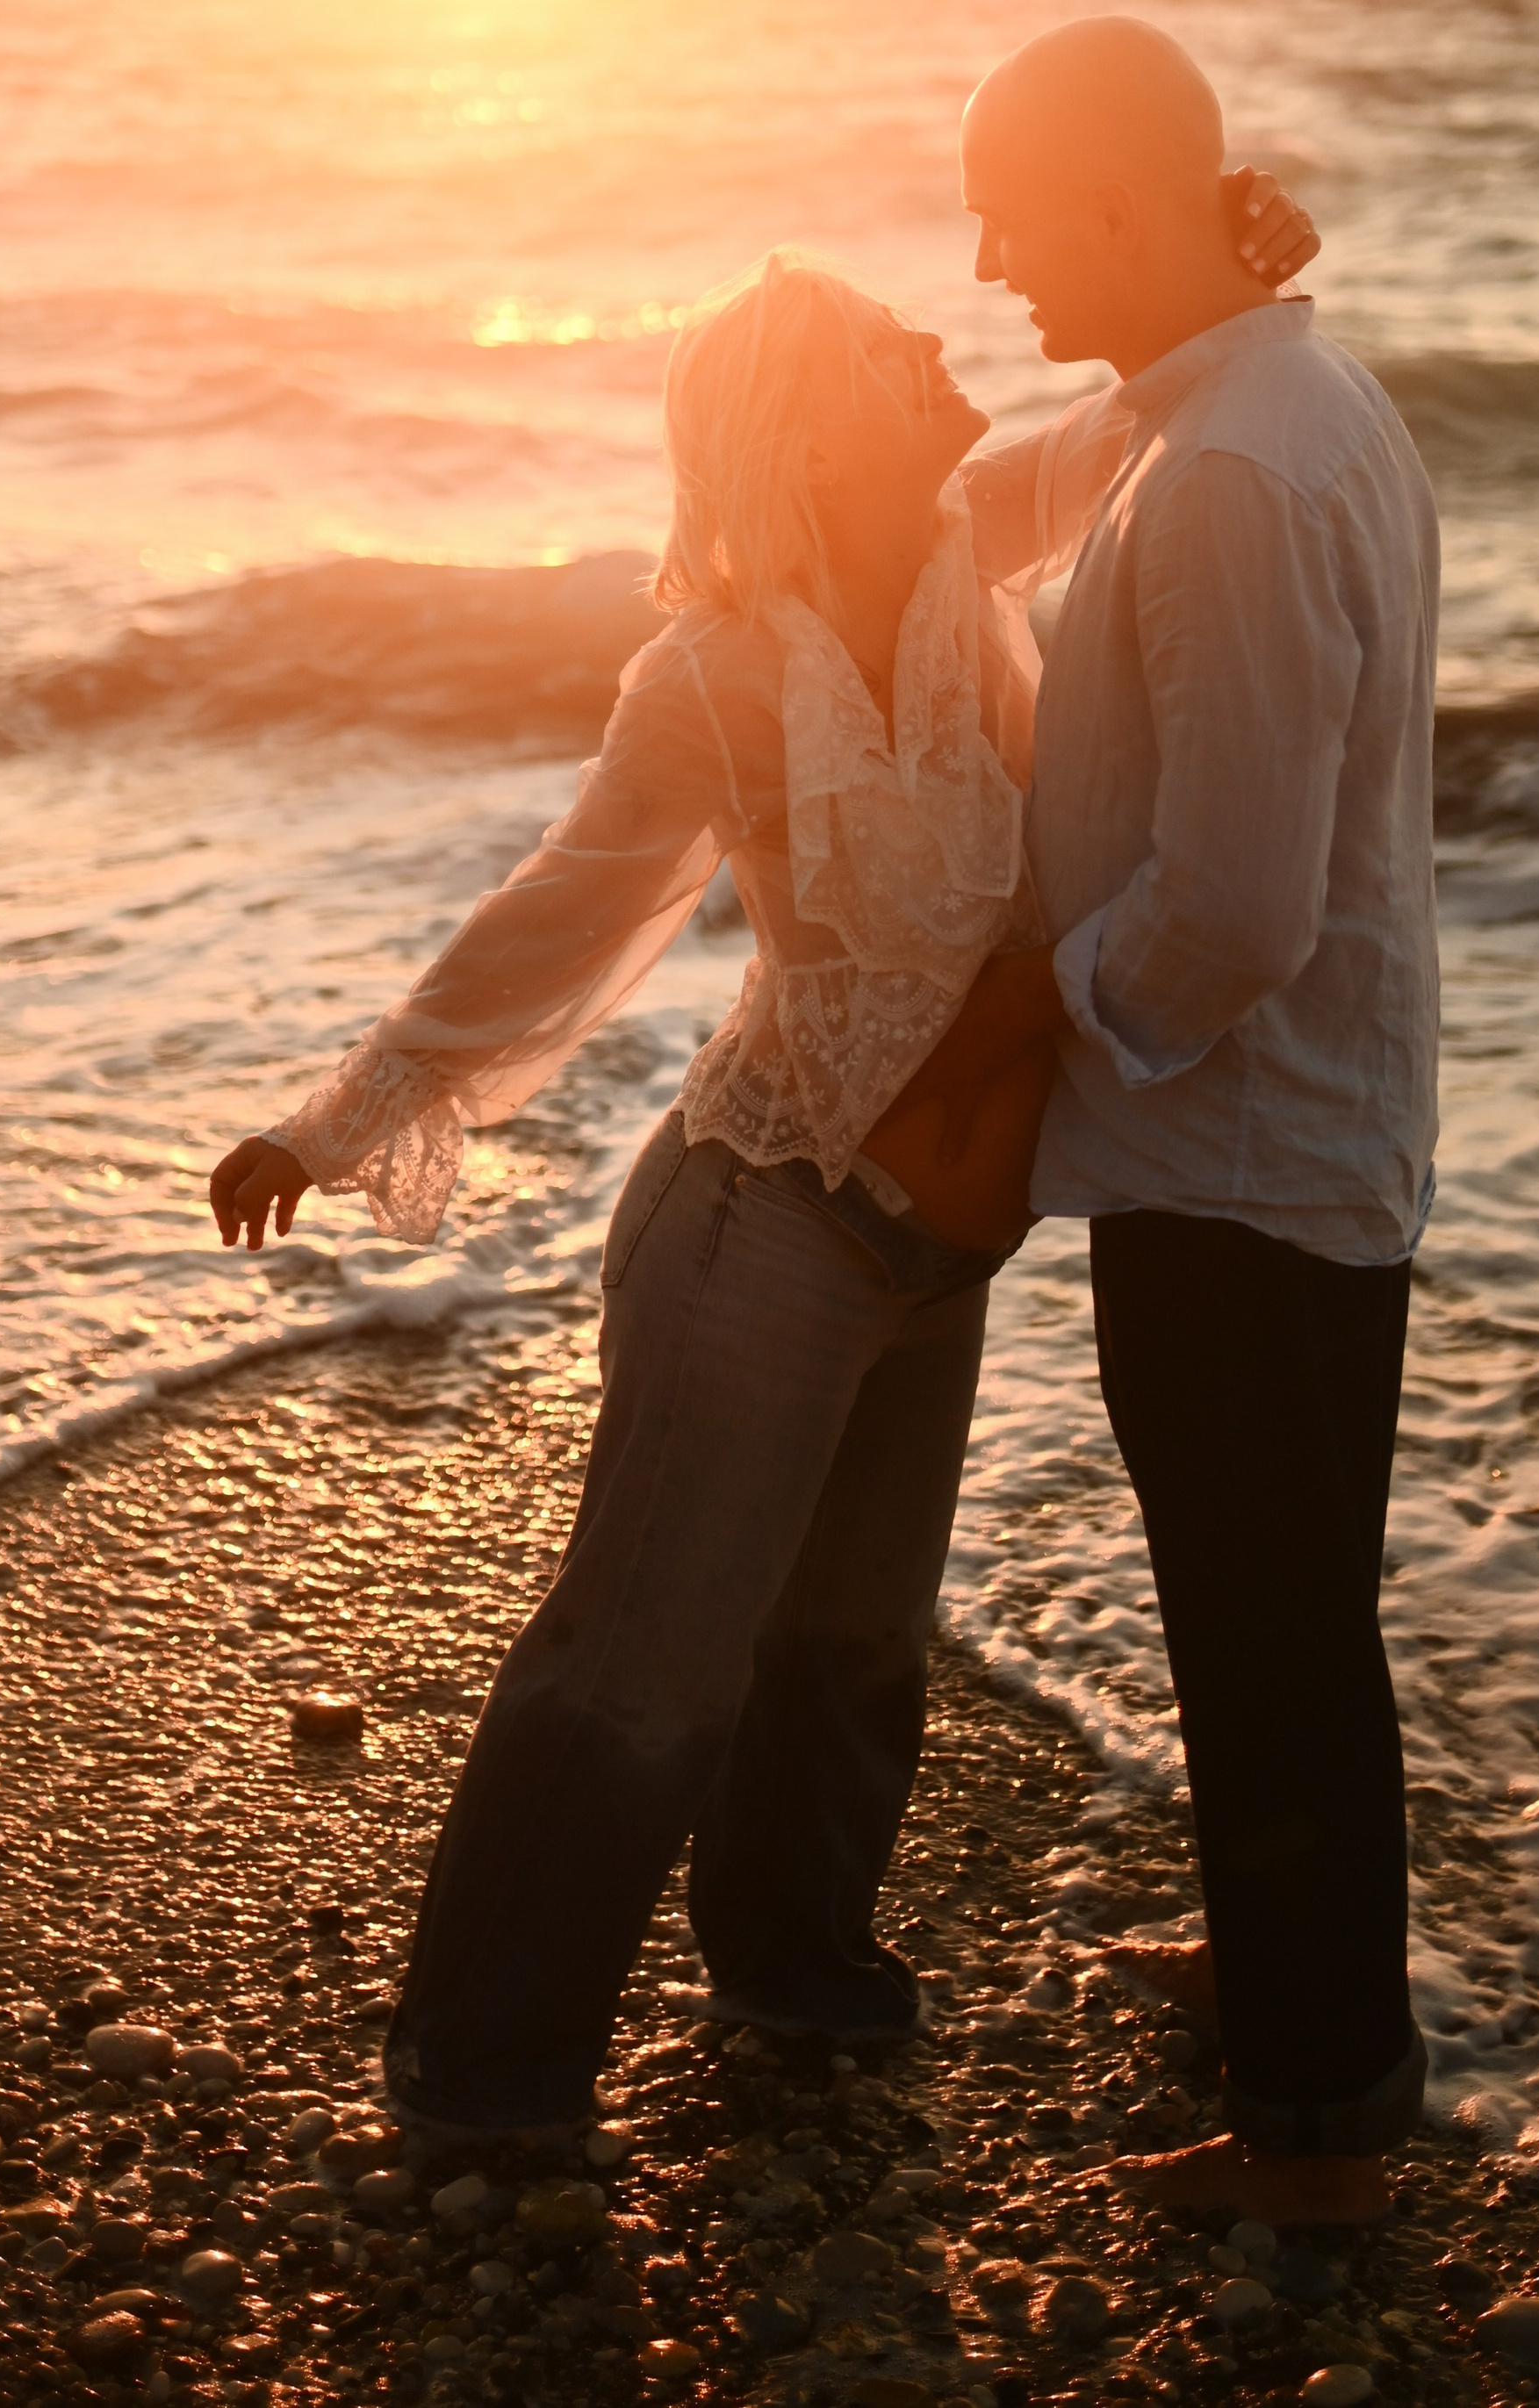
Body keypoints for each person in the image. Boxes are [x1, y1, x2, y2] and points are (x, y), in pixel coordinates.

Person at [206, 170, 1315, 2140]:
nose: (932, 346)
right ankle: (479, 2070)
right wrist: (341, 1112)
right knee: (639, 1663)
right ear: (813, 433)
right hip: (763, 1222)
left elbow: (1149, 403)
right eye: (887, 350)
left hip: (935, 1251)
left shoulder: (970, 540)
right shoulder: (714, 674)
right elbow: (564, 908)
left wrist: (1230, 248)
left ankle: (790, 1973)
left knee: (850, 1645)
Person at [905, 16, 1440, 2225]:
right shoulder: (1240, 407)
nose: (988, 259)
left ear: (1119, 204)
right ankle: (1276, 1970)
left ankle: (1317, 2140)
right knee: (1282, 1592)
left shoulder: (1229, 473)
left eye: (1010, 213)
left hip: (1235, 1148)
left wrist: (1015, 1004)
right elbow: (993, 502)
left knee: (1267, 1621)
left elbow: (1228, 904)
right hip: (1295, 1139)